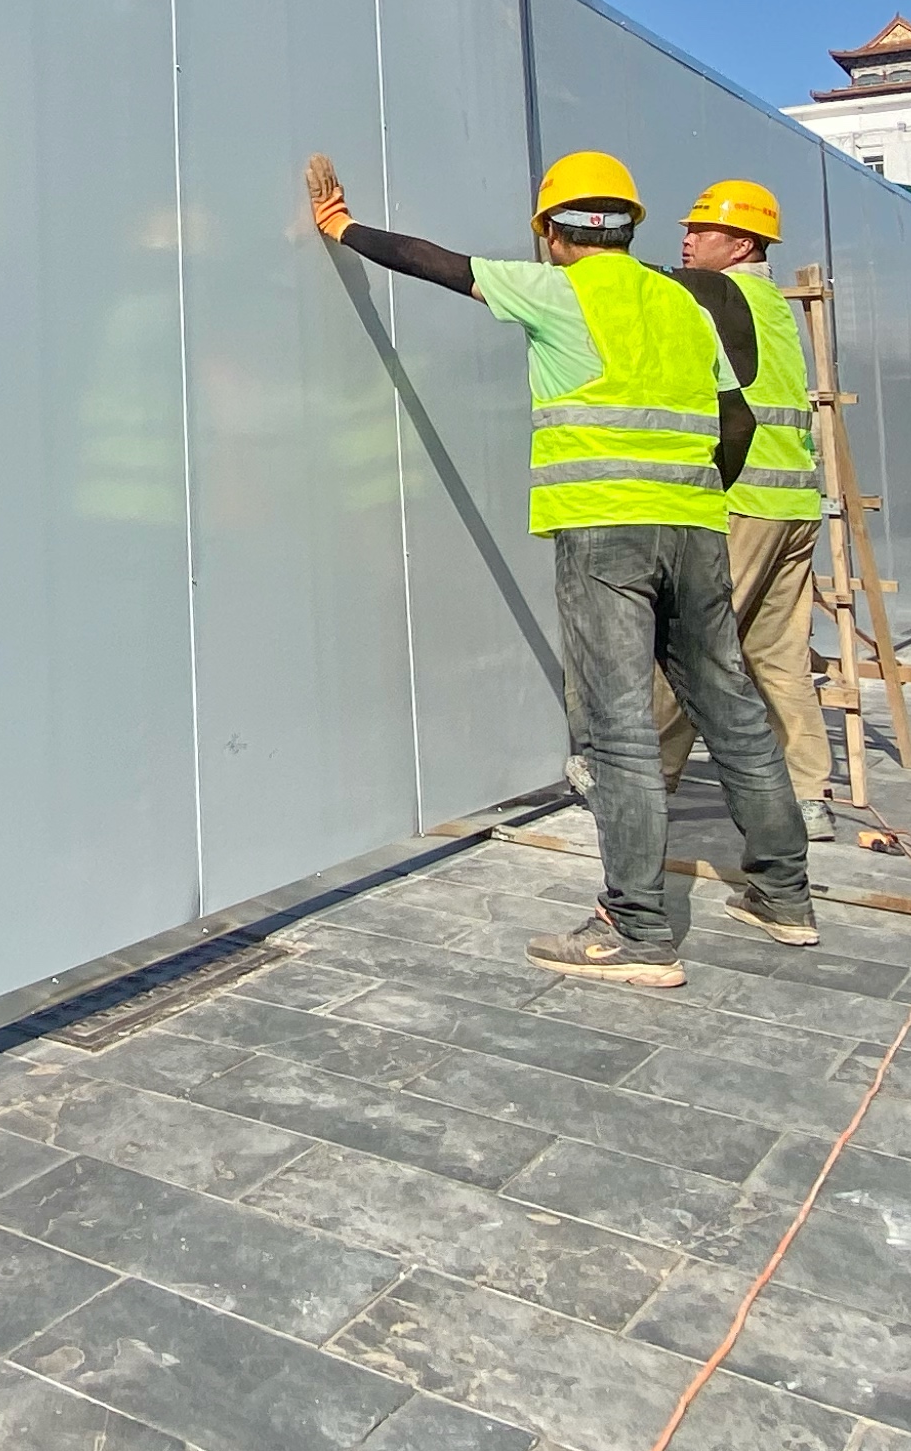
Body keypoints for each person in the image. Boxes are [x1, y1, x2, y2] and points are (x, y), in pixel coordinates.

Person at [304, 146, 814, 983]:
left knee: (618, 732)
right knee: (734, 710)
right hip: (694, 528)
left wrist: (343, 227)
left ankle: (638, 930)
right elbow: (737, 424)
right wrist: (693, 494)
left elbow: (441, 267)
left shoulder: (556, 290)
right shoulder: (685, 302)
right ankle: (784, 897)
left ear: (551, 231)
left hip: (602, 535)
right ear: (629, 226)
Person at [645, 178, 841, 835]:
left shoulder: (723, 291)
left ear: (741, 245)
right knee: (779, 655)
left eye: (703, 230)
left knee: (688, 640)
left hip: (747, 500)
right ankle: (809, 795)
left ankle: (644, 778)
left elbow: (632, 279)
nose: (688, 237)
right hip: (794, 503)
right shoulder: (770, 304)